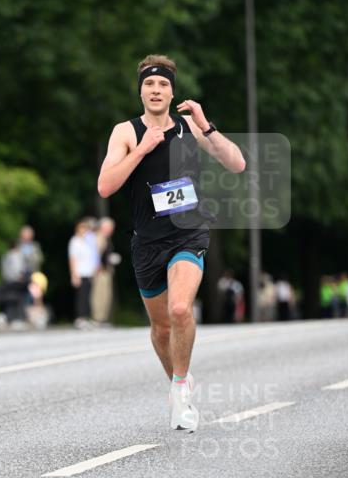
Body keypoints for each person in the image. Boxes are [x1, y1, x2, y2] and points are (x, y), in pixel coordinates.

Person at [97, 54, 246, 431]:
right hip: (147, 241)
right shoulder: (126, 132)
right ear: (140, 91)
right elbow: (105, 186)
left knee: (180, 309)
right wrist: (142, 149)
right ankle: (178, 380)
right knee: (162, 328)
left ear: (172, 92)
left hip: (188, 231)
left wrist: (206, 126)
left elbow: (237, 163)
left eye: (163, 84)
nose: (156, 89)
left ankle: (180, 390)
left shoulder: (188, 126)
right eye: (149, 83)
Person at [68, 220, 100, 328]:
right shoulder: (75, 241)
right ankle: (80, 318)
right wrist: (74, 274)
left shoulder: (88, 241)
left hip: (89, 273)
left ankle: (86, 317)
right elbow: (73, 258)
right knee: (81, 296)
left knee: (87, 296)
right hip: (80, 272)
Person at [91, 217, 120, 325]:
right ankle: (97, 319)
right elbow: (95, 253)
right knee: (99, 295)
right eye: (110, 228)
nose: (112, 230)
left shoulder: (106, 238)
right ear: (104, 227)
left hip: (106, 270)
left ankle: (102, 319)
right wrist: (97, 266)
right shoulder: (99, 237)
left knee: (106, 295)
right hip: (100, 271)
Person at [0, 241, 28, 328]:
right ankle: (18, 318)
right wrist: (21, 276)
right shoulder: (16, 255)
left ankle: (9, 317)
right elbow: (19, 269)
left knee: (10, 300)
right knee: (18, 299)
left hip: (7, 282)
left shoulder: (5, 256)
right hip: (16, 282)